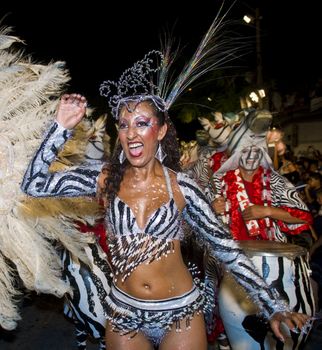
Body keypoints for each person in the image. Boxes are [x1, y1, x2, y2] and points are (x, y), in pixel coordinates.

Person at [21, 9, 311, 350]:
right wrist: (61, 128)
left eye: (142, 123)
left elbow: (227, 250)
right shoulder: (104, 179)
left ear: (159, 131)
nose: (131, 132)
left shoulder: (182, 187)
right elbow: (34, 184)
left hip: (180, 314)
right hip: (123, 312)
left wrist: (273, 306)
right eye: (125, 124)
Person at [209, 110, 315, 349]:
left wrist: (267, 211)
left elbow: (304, 218)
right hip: (229, 263)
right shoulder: (218, 181)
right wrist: (211, 207)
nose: (250, 156)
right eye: (245, 150)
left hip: (271, 265)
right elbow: (199, 221)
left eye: (256, 150)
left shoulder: (276, 182)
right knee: (222, 318)